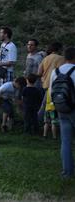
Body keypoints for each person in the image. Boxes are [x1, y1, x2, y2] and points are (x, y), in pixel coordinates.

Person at [49, 47, 75, 178]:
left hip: (61, 108)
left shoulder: (56, 71)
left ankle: (67, 172)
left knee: (65, 141)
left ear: (65, 57)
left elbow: (51, 92)